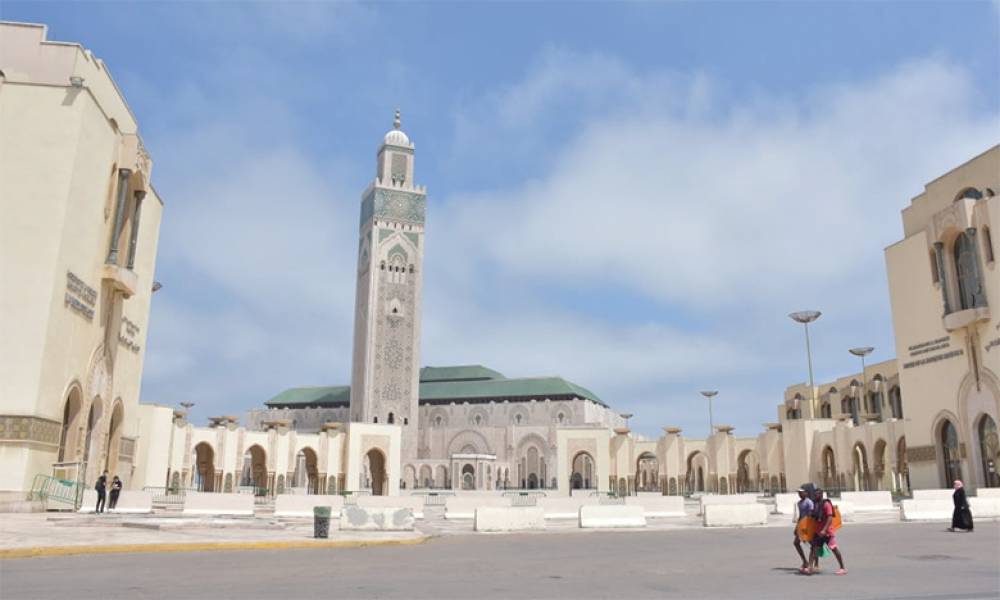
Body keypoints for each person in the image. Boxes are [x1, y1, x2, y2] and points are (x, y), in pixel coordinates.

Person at [805, 487, 846, 575]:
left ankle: (842, 568)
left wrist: (824, 530)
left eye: (818, 493)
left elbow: (830, 518)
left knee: (834, 549)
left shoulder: (826, 504)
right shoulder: (815, 504)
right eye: (815, 494)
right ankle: (810, 568)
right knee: (813, 549)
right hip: (818, 532)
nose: (816, 495)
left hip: (827, 532)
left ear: (822, 494)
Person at [793, 483, 818, 571]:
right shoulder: (799, 503)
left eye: (801, 492)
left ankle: (813, 563)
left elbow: (810, 516)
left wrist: (808, 528)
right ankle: (805, 561)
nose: (799, 494)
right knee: (796, 543)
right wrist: (797, 527)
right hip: (801, 526)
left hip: (808, 526)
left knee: (813, 545)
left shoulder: (809, 502)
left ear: (806, 493)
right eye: (798, 493)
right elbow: (800, 516)